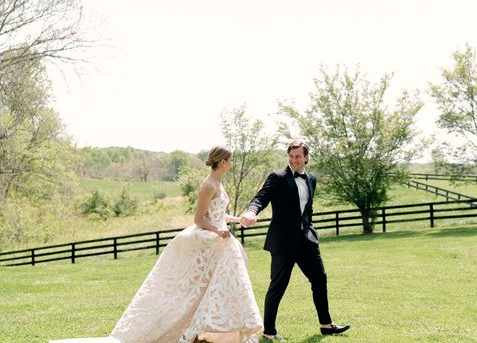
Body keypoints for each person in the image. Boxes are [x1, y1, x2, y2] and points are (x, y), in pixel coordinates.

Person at [50, 145, 263, 343]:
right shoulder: (208, 185)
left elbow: (217, 214)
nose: (233, 163)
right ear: (223, 162)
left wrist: (237, 220)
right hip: (207, 239)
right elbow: (198, 219)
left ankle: (207, 329)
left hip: (219, 238)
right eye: (231, 160)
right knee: (190, 290)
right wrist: (217, 231)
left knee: (212, 286)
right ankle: (188, 328)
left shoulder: (219, 183)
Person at [240, 140, 349, 340]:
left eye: (298, 156)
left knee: (319, 279)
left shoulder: (311, 179)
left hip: (306, 240)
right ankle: (269, 331)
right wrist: (251, 211)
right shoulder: (278, 177)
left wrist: (311, 229)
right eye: (291, 156)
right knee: (278, 285)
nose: (294, 160)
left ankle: (326, 325)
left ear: (306, 158)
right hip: (283, 242)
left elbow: (308, 209)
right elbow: (261, 198)